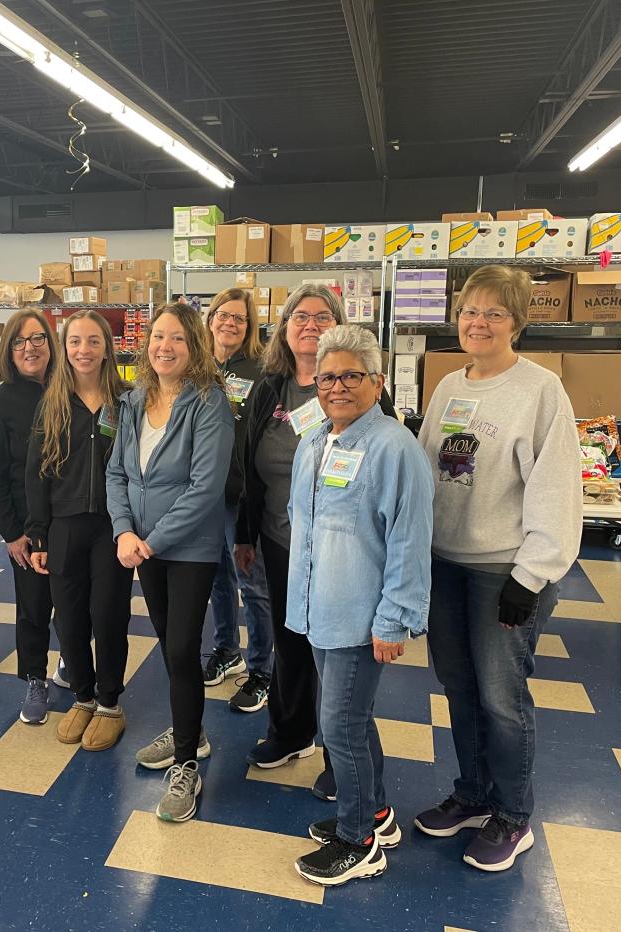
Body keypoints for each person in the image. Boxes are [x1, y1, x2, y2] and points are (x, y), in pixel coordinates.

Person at [414, 265, 581, 872]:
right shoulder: (448, 386)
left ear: (517, 323)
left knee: (502, 698)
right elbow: (429, 473)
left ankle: (513, 815)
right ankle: (473, 794)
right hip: (446, 565)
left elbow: (557, 487)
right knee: (458, 689)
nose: (477, 324)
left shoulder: (540, 390)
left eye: (493, 314)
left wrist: (530, 576)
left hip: (503, 570)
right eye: (469, 312)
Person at [235, 284, 397, 799]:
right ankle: (288, 733)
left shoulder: (361, 390)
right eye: (298, 316)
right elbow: (248, 467)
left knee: (338, 657)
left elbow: (385, 470)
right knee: (290, 644)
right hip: (283, 542)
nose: (309, 324)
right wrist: (245, 534)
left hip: (344, 553)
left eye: (321, 316)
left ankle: (341, 756)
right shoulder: (270, 387)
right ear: (283, 328)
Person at [287, 326, 433, 887]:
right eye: (328, 377)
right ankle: (374, 813)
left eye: (352, 375)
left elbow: (409, 541)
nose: (338, 386)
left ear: (376, 381)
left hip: (359, 617)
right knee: (351, 720)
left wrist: (394, 620)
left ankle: (358, 841)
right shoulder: (318, 439)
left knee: (339, 729)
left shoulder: (394, 447)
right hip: (319, 610)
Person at [107, 302, 234, 822]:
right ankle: (192, 730)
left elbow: (206, 489)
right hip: (141, 545)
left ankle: (186, 764)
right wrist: (123, 532)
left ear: (194, 346)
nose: (165, 346)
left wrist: (150, 542)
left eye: (178, 338)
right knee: (169, 642)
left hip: (187, 548)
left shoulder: (209, 403)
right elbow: (117, 473)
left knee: (182, 645)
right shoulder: (134, 401)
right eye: (158, 336)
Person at [27, 310, 132, 751]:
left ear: (107, 347)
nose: (83, 351)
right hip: (65, 525)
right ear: (63, 348)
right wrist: (38, 533)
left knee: (108, 615)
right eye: (74, 342)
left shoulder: (126, 401)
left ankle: (110, 703)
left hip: (113, 526)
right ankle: (83, 696)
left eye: (93, 341)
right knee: (68, 618)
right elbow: (35, 472)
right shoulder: (52, 402)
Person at [0, 309, 57, 725]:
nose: (30, 348)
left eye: (38, 338)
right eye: (20, 341)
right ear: (9, 350)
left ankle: (75, 668)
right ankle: (35, 678)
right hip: (27, 527)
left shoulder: (70, 388)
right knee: (32, 608)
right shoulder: (1, 401)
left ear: (51, 343)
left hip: (73, 519)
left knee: (77, 604)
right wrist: (11, 533)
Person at [202, 288, 273, 713]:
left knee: (253, 582)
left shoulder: (261, 370)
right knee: (215, 578)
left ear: (250, 328)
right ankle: (227, 649)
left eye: (240, 319)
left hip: (242, 494)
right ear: (210, 319)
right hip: (202, 495)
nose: (230, 324)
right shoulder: (198, 365)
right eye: (223, 315)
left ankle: (262, 669)